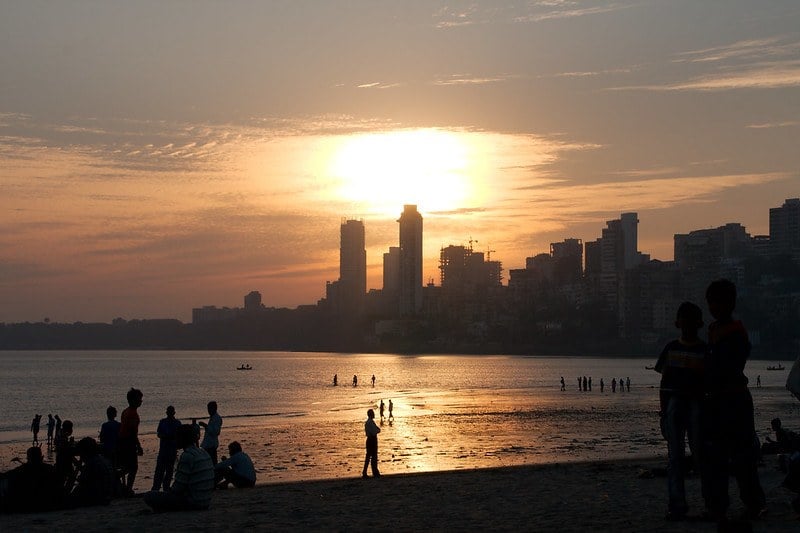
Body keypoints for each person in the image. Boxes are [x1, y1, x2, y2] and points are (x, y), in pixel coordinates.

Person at [701, 279, 766, 523]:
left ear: (730, 303)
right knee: (716, 457)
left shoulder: (735, 333)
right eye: (711, 303)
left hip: (734, 399)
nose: (714, 307)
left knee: (742, 457)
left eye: (718, 302)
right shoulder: (716, 329)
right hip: (719, 400)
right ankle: (718, 506)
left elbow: (728, 366)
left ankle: (754, 504)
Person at [654, 301, 707, 521]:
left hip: (697, 405)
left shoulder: (705, 351)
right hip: (674, 405)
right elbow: (664, 384)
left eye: (690, 319)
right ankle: (677, 505)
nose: (687, 324)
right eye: (684, 318)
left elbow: (709, 385)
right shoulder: (671, 348)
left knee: (701, 456)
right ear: (678, 322)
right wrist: (663, 413)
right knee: (675, 457)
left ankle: (710, 503)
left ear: (698, 323)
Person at [143, 424, 215, 512]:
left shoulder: (187, 456)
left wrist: (169, 493)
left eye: (176, 437)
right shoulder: (203, 453)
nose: (175, 440)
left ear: (182, 439)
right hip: (205, 501)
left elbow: (178, 488)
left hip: (193, 502)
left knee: (149, 496)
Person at [0, 446, 62, 513]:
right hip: (47, 502)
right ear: (41, 457)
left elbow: (5, 475)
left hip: (26, 504)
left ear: (28, 458)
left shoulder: (22, 470)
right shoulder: (49, 469)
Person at [69, 437, 116, 507]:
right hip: (106, 496)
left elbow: (82, 480)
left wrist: (78, 466)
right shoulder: (102, 460)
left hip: (97, 498)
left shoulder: (92, 463)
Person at [118, 388, 144, 494]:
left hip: (123, 441)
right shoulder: (132, 413)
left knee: (127, 466)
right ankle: (128, 488)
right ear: (133, 400)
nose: (141, 401)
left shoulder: (125, 411)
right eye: (139, 399)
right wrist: (138, 445)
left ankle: (125, 487)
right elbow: (132, 432)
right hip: (129, 442)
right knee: (133, 467)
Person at [152, 406, 182, 491]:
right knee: (160, 471)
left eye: (171, 411)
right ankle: (156, 488)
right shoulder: (163, 422)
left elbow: (179, 436)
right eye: (168, 411)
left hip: (171, 451)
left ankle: (165, 487)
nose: (169, 413)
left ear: (173, 413)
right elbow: (159, 434)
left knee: (169, 471)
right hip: (164, 450)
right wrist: (166, 436)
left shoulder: (177, 423)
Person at [54, 419, 77, 491]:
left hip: (61, 458)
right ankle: (65, 492)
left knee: (62, 478)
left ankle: (63, 491)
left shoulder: (60, 433)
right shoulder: (63, 435)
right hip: (63, 459)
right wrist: (71, 443)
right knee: (70, 476)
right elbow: (65, 449)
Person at [199, 401, 222, 465]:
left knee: (212, 464)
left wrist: (205, 426)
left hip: (211, 446)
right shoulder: (213, 418)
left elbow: (216, 432)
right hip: (208, 446)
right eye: (208, 409)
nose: (208, 411)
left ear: (214, 408)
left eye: (209, 409)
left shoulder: (217, 418)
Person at [362, 409, 381, 478]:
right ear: (371, 414)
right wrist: (377, 431)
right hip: (372, 440)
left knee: (368, 457)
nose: (374, 414)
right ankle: (374, 472)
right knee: (373, 457)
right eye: (373, 413)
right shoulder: (370, 422)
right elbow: (376, 431)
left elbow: (377, 430)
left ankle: (366, 472)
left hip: (369, 440)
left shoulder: (368, 422)